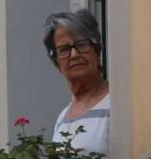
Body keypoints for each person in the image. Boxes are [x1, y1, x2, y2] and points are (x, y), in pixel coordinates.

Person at [43, 8, 110, 155]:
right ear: (56, 62)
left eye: (81, 45)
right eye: (64, 49)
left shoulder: (116, 106)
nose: (74, 55)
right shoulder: (62, 118)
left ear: (97, 50)